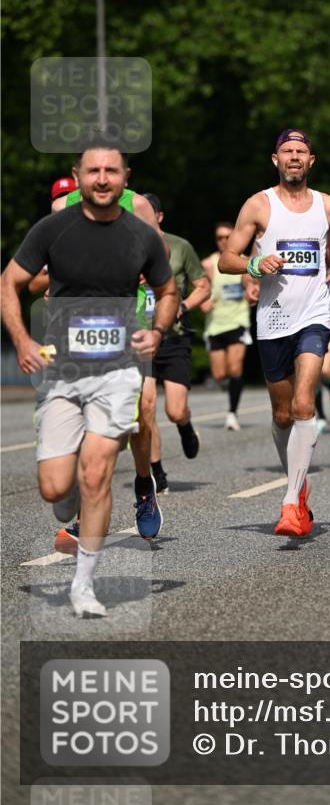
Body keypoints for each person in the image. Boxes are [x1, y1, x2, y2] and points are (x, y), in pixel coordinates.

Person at [0, 140, 177, 617]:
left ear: (125, 177)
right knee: (56, 488)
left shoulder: (140, 233)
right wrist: (21, 340)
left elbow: (168, 289)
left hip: (117, 369)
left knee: (98, 471)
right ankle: (71, 498)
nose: (102, 178)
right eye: (93, 170)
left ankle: (84, 584)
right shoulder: (53, 227)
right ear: (78, 174)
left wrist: (157, 331)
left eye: (112, 171)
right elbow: (9, 283)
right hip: (63, 368)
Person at [219, 128, 330, 537]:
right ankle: (298, 480)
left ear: (312, 160)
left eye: (301, 151)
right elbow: (227, 259)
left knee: (303, 403)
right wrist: (255, 266)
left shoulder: (329, 207)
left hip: (314, 313)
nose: (294, 157)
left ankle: (291, 501)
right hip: (274, 318)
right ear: (275, 159)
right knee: (281, 414)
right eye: (287, 151)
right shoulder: (259, 205)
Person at [140, 194, 210, 494]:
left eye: (146, 214)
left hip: (175, 336)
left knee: (174, 410)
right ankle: (157, 472)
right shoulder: (123, 246)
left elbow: (203, 286)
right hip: (139, 338)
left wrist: (182, 307)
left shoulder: (180, 247)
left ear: (159, 216)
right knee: (145, 407)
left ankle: (185, 425)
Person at [201, 222, 253, 431]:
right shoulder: (209, 263)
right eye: (219, 237)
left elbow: (250, 284)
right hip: (215, 324)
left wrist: (250, 289)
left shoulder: (244, 262)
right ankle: (229, 386)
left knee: (235, 368)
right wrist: (203, 301)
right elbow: (201, 289)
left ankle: (232, 413)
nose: (223, 241)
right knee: (220, 374)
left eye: (227, 237)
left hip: (238, 321)